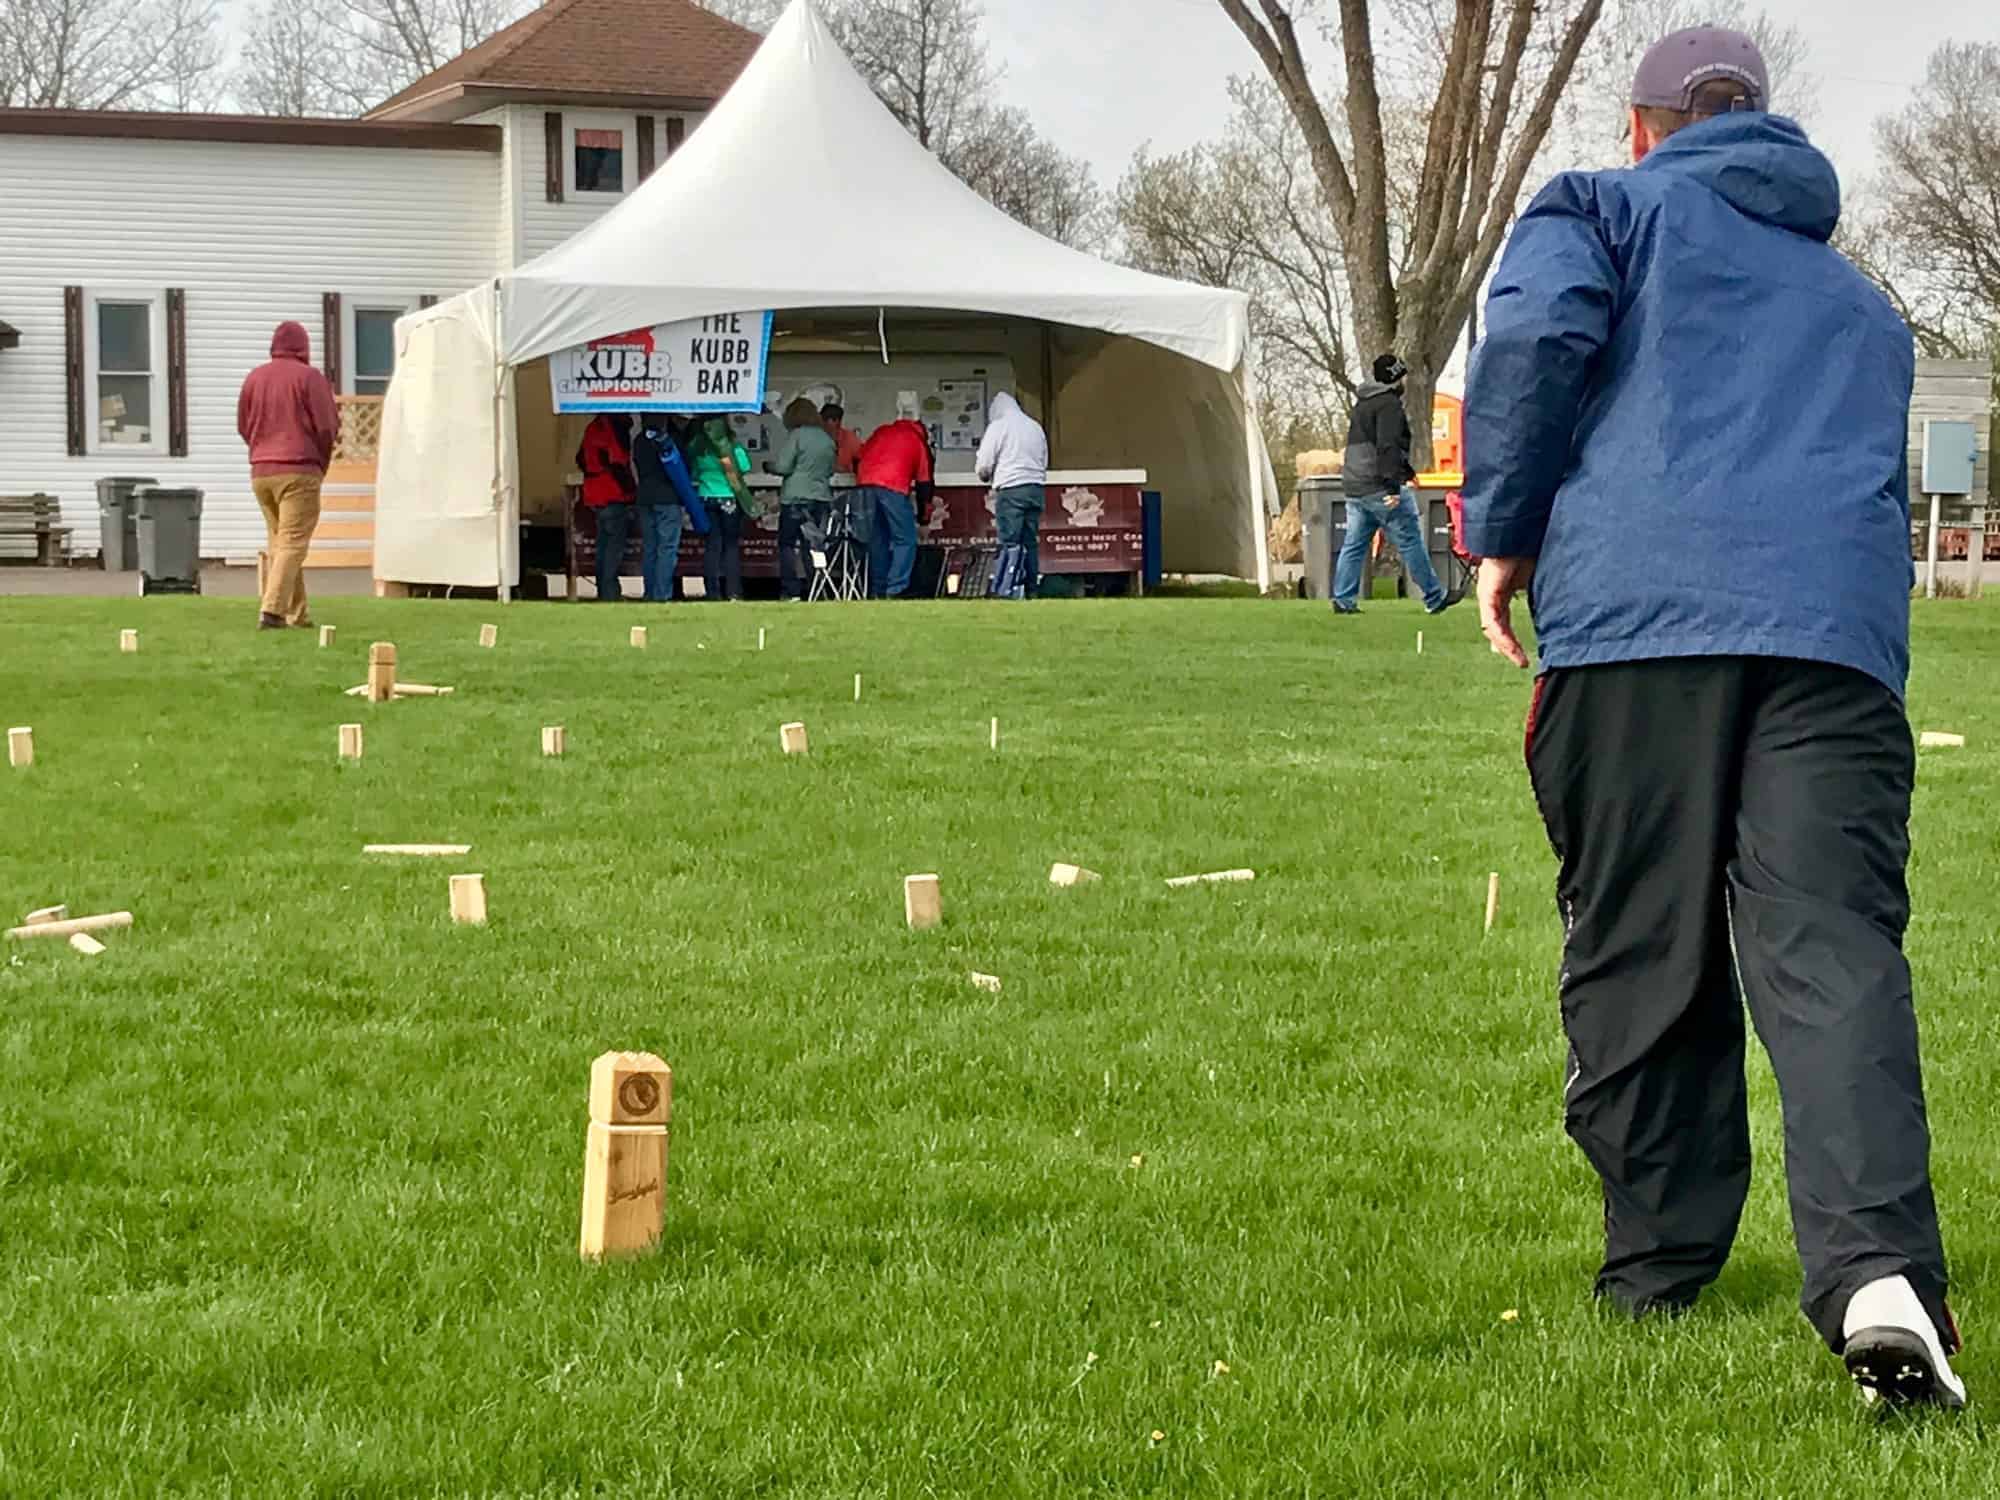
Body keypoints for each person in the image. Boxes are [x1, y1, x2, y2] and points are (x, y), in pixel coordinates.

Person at [1464, 25, 1962, 1408]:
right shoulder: (1858, 304)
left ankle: (1656, 1264)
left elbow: (1536, 340)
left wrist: (1501, 528)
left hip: (1638, 626)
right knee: (1832, 950)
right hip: (1835, 646)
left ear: (1640, 128)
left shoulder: (1596, 211)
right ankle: (1878, 1275)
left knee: (1641, 939)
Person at [237, 321, 337, 630]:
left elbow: (243, 425)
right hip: (299, 469)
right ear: (303, 347)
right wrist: (320, 463)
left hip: (261, 472)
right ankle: (272, 612)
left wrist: (261, 450)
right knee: (293, 544)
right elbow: (327, 427)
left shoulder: (255, 377)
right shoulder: (310, 378)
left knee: (280, 543)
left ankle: (298, 614)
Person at [1331, 355, 1450, 615]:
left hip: (1355, 485)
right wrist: (1393, 487)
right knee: (1410, 540)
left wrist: (1407, 472)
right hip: (1379, 486)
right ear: (1395, 378)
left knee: (1354, 546)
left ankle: (1343, 599)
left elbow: (1374, 446)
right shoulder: (1389, 405)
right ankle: (1434, 597)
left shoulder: (1363, 404)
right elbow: (1388, 447)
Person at [976, 391, 1049, 601]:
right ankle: (1031, 589)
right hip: (1035, 489)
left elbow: (984, 463)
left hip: (1011, 489)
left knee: (1009, 541)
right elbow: (1044, 461)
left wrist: (985, 476)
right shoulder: (1035, 427)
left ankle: (1007, 588)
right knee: (1030, 542)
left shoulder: (999, 426)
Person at [854, 413, 932, 599]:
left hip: (865, 486)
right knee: (905, 539)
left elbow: (858, 457)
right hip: (893, 487)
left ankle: (878, 590)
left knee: (877, 540)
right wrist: (924, 519)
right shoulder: (917, 441)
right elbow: (925, 484)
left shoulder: (882, 431)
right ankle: (896, 588)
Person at [769, 396, 837, 601]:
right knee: (813, 545)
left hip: (795, 498)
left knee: (788, 544)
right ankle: (815, 587)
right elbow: (830, 470)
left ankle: (791, 590)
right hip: (821, 497)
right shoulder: (827, 439)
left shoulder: (796, 436)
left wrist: (769, 467)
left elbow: (783, 467)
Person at [632, 415, 698, 603]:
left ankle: (649, 593)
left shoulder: (639, 440)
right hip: (668, 498)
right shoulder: (670, 439)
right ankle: (662, 594)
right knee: (667, 548)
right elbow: (684, 468)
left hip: (644, 497)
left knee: (650, 548)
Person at [691, 416, 754, 601]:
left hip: (706, 497)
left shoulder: (697, 445)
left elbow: (693, 472)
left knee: (712, 546)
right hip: (728, 497)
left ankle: (712, 592)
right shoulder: (732, 446)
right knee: (731, 546)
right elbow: (745, 467)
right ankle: (733, 591)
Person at [576, 411, 637, 603]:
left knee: (603, 546)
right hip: (613, 493)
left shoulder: (593, 427)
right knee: (613, 548)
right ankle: (610, 592)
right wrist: (631, 491)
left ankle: (603, 589)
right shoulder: (614, 429)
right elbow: (618, 463)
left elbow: (580, 458)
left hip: (594, 494)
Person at [821, 402, 864, 475]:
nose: (822, 423)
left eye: (825, 420)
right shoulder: (816, 436)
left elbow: (861, 462)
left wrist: (845, 470)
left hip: (843, 478)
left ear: (837, 421)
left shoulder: (850, 438)